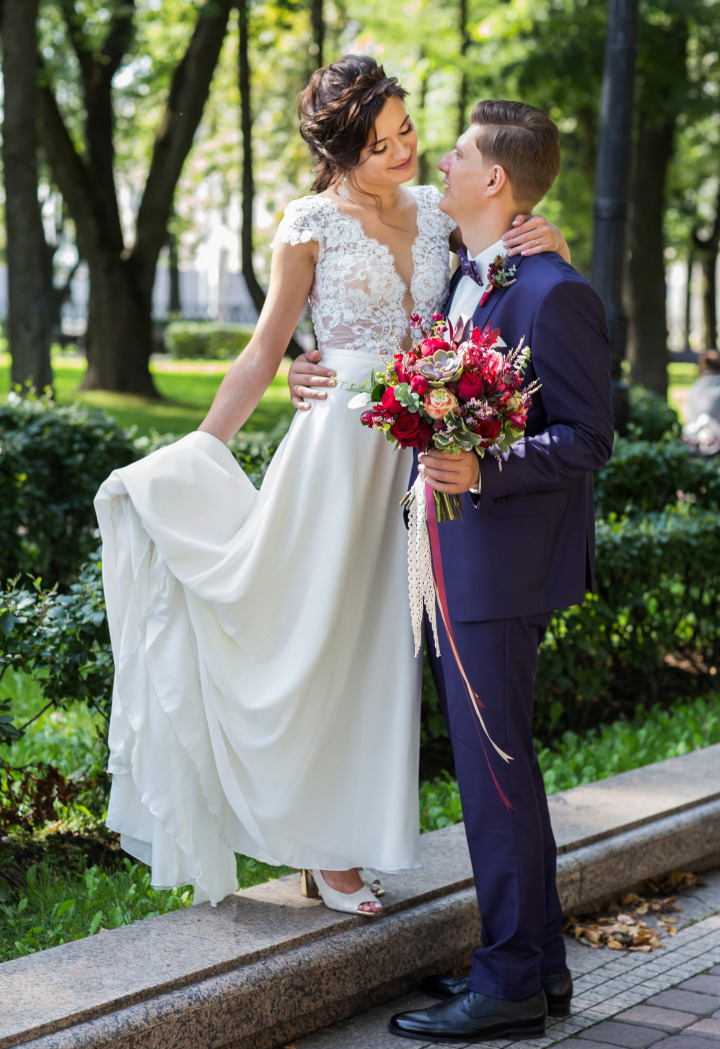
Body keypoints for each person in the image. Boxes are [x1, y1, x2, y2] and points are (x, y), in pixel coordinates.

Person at [94, 56, 565, 919]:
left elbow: (496, 274)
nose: (403, 153)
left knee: (383, 655)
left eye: (407, 132)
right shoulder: (308, 222)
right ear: (340, 150)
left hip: (420, 457)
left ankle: (347, 844)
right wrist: (203, 448)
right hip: (335, 457)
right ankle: (322, 851)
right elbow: (268, 347)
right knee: (313, 644)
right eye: (380, 143)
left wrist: (553, 240)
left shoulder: (437, 214)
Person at [288, 100, 614, 1040]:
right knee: (499, 772)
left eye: (462, 151)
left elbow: (587, 438)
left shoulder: (553, 292)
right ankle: (536, 967)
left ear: (495, 180)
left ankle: (509, 980)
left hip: (497, 568)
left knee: (495, 779)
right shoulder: (471, 276)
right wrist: (311, 367)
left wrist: (487, 468)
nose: (443, 159)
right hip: (449, 558)